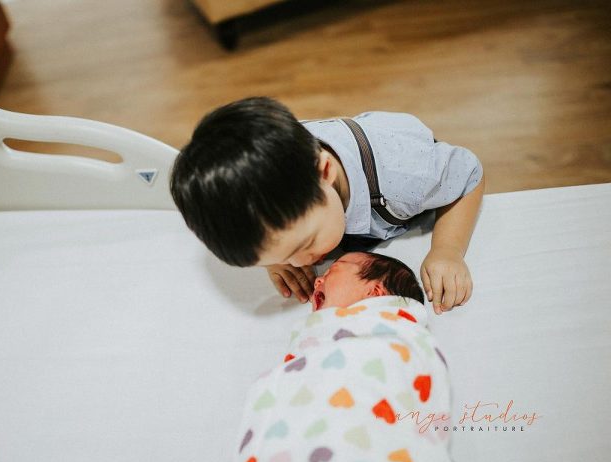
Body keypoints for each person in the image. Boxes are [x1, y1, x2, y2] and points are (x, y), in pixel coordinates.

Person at [226, 251, 491, 462]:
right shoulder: (313, 349)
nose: (318, 280)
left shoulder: (395, 341)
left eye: (333, 271)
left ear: (374, 293)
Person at [169, 97, 484, 315]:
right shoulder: (286, 187)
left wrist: (447, 251)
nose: (300, 263)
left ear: (325, 172)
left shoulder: (406, 176)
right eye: (286, 257)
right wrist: (274, 258)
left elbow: (469, 175)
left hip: (394, 153)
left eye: (304, 245)